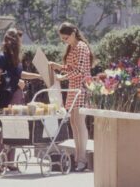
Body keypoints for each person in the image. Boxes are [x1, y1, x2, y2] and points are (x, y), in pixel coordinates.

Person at [0, 28, 42, 170]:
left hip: (17, 95)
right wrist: (15, 82)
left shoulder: (14, 57)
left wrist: (37, 76)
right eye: (19, 38)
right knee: (7, 127)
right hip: (9, 96)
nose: (21, 41)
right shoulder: (3, 56)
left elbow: (18, 74)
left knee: (14, 128)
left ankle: (9, 162)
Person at [49, 22, 94, 172]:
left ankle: (82, 159)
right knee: (74, 123)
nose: (64, 41)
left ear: (73, 33)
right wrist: (58, 66)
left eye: (66, 38)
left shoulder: (81, 47)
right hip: (73, 88)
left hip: (81, 88)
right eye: (62, 39)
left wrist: (62, 77)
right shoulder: (73, 47)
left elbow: (80, 70)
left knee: (79, 123)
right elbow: (71, 67)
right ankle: (78, 158)